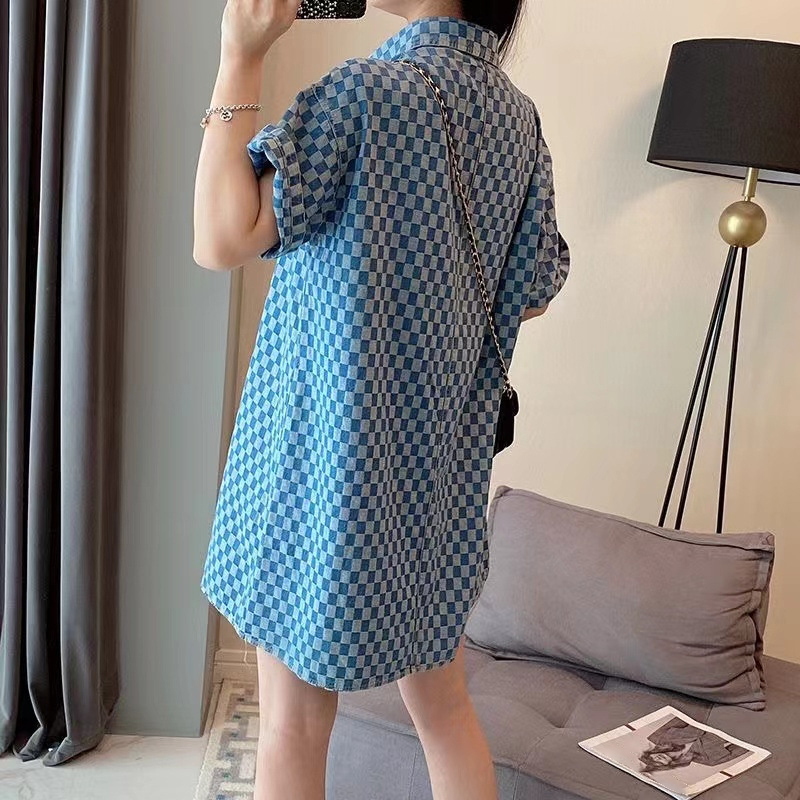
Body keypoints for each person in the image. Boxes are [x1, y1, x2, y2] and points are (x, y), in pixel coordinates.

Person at [193, 1, 570, 798]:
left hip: (321, 470)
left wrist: (239, 55)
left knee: (294, 726)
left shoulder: (366, 92)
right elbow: (534, 289)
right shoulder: (519, 119)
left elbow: (220, 238)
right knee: (444, 705)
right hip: (437, 480)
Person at [639, 718, 749, 773]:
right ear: (667, 765)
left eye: (650, 758)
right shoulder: (708, 760)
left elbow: (684, 716)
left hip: (719, 714)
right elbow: (746, 747)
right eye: (657, 763)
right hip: (742, 726)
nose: (657, 759)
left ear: (650, 753)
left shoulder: (658, 737)